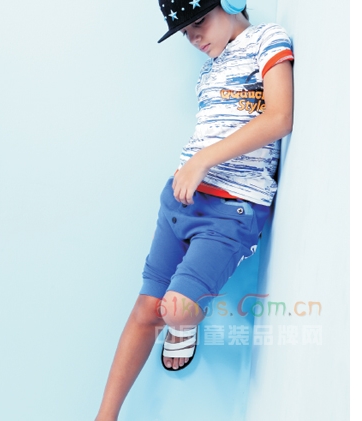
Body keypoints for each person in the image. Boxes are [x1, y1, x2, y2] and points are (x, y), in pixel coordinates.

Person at [95, 0, 293, 419]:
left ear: (231, 3)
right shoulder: (208, 73)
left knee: (174, 310)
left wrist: (203, 161)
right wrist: (190, 169)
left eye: (199, 20)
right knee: (145, 310)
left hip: (233, 209)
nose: (194, 36)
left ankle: (182, 325)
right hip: (180, 199)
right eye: (185, 31)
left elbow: (279, 117)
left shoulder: (267, 39)